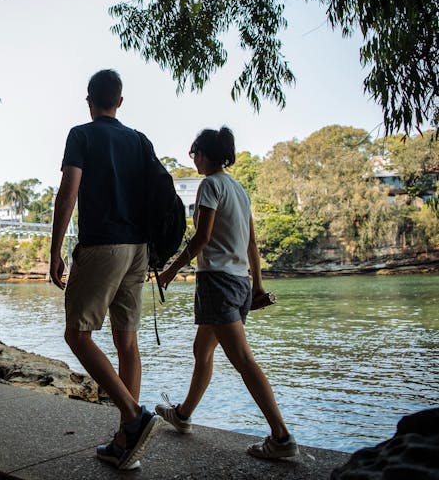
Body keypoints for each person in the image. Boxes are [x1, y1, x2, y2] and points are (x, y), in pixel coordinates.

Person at [154, 126, 299, 460]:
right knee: (202, 349)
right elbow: (250, 242)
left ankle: (281, 437)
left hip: (217, 282)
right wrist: (258, 285)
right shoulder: (239, 189)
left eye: (194, 154)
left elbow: (201, 238)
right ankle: (184, 414)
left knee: (243, 360)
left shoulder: (210, 185)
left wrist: (170, 272)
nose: (194, 161)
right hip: (239, 282)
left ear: (203, 154)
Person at [50, 69, 161, 470]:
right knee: (126, 342)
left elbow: (68, 193)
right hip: (139, 250)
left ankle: (133, 418)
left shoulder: (82, 134)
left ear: (89, 100)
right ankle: (123, 444)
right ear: (120, 100)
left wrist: (55, 250)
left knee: (77, 335)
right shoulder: (139, 140)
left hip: (103, 246)